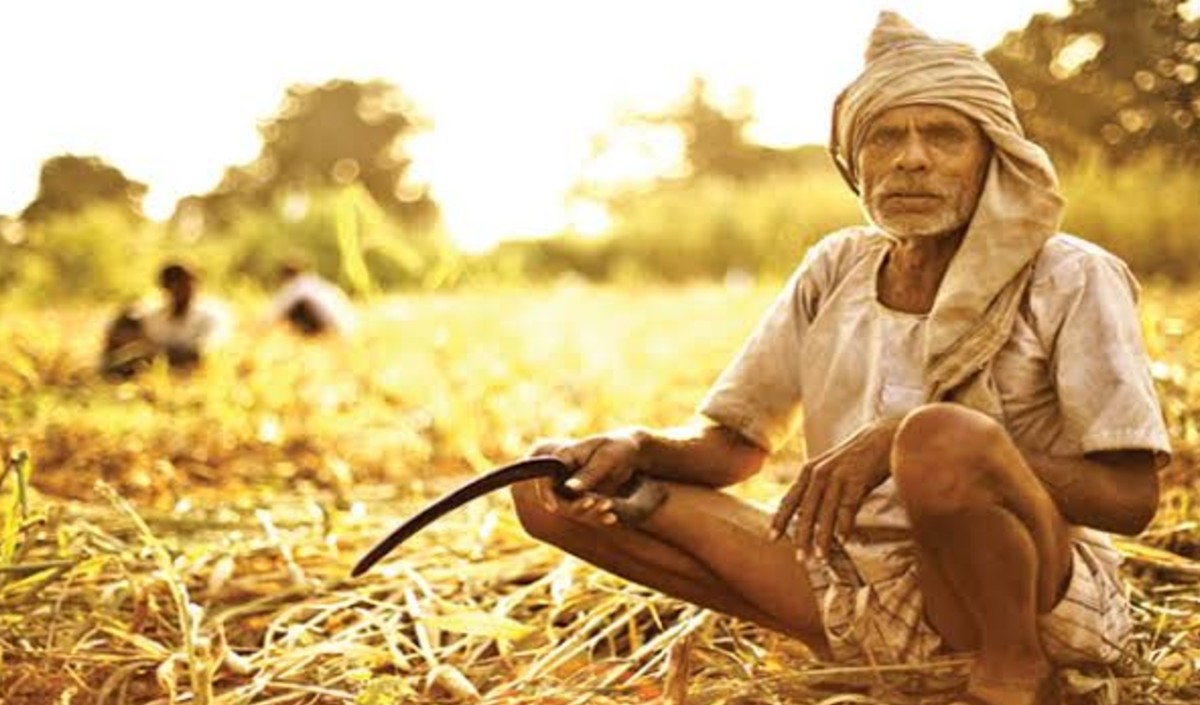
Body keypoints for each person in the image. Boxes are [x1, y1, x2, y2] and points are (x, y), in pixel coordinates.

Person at [510, 12, 1170, 705]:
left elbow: (1131, 499)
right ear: (855, 161)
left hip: (1031, 602)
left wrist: (903, 441)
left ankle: (1012, 673)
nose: (911, 158)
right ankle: (883, 665)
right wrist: (632, 445)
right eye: (886, 136)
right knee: (546, 482)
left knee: (940, 436)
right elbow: (732, 448)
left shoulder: (1072, 275)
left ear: (991, 155)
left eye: (942, 135)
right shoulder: (837, 266)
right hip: (856, 594)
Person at [139, 262, 232, 370]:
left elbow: (203, 354)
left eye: (184, 283)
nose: (178, 289)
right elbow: (147, 347)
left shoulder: (213, 314)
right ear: (164, 288)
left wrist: (160, 355)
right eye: (172, 283)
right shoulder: (154, 317)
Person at [263, 260, 356, 337]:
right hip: (350, 328)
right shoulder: (317, 283)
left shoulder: (298, 286)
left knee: (294, 308)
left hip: (334, 329)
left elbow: (275, 311)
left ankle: (315, 337)